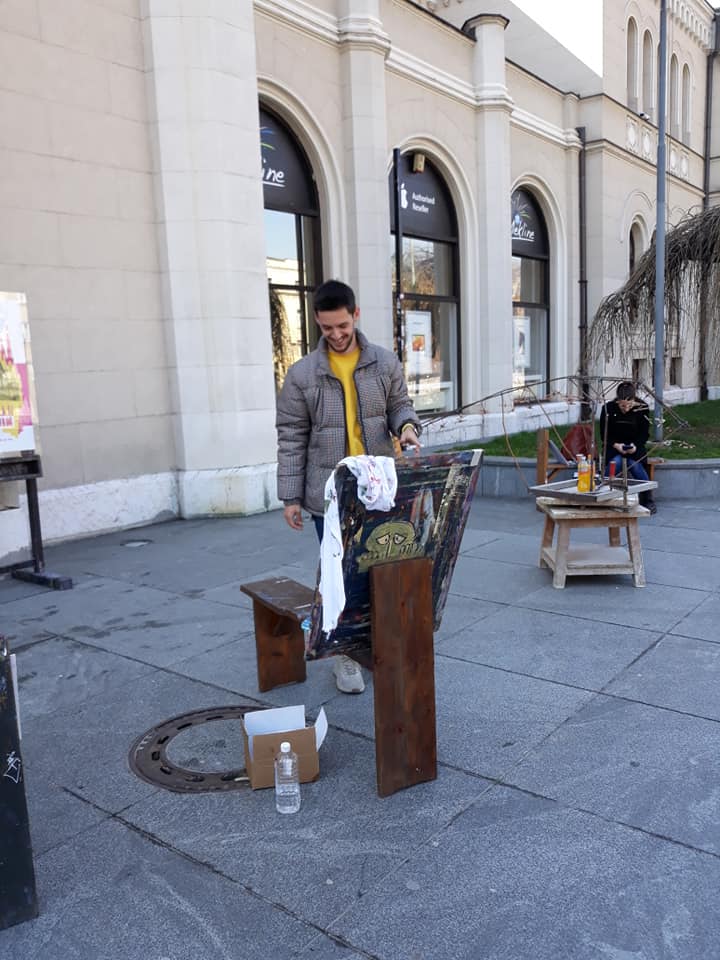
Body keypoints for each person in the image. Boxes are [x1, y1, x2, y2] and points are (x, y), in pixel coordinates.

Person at [276, 280, 422, 693]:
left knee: (381, 568)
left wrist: (407, 427)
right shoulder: (302, 374)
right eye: (327, 328)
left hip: (377, 487)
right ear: (317, 323)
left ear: (355, 315)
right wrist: (290, 497)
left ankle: (377, 641)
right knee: (337, 575)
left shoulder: (384, 362)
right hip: (328, 493)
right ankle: (344, 654)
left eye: (342, 325)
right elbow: (291, 436)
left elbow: (399, 406)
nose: (337, 335)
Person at [600, 381, 657, 514]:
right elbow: (604, 434)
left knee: (635, 464)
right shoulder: (608, 409)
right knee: (616, 462)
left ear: (634, 401)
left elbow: (644, 434)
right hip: (614, 446)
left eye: (629, 405)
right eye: (622, 406)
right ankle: (604, 494)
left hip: (635, 447)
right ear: (617, 401)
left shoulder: (642, 408)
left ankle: (647, 498)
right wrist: (616, 445)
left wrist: (635, 446)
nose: (625, 409)